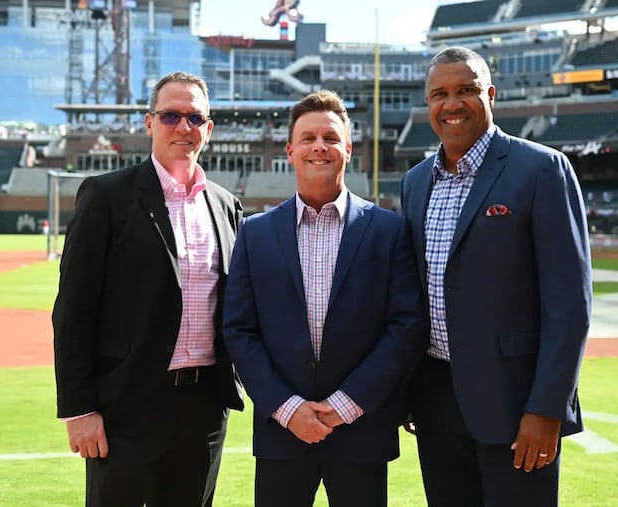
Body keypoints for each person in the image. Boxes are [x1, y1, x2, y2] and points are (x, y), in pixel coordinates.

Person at [400, 47, 592, 506]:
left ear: (490, 94)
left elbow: (570, 306)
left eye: (465, 90)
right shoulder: (415, 181)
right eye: (439, 94)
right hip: (435, 399)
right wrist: (408, 393)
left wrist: (547, 409)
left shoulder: (541, 169)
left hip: (515, 401)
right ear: (428, 105)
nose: (451, 104)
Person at [223, 89, 426, 507]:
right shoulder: (255, 233)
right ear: (291, 150)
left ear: (348, 149)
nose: (320, 146)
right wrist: (286, 407)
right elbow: (239, 330)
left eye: (331, 138)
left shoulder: (388, 230)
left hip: (361, 432)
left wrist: (346, 405)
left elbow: (405, 327)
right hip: (282, 433)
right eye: (309, 138)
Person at [52, 71, 244, 507]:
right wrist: (79, 410)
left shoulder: (225, 205)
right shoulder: (106, 196)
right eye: (171, 115)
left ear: (208, 129)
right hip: (126, 405)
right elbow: (73, 310)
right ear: (149, 123)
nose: (184, 127)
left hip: (203, 407)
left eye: (195, 117)